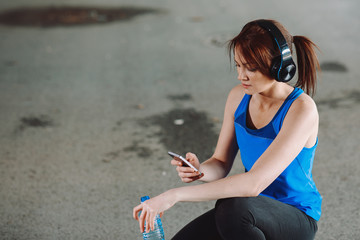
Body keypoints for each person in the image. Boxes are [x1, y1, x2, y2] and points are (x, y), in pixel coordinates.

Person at [133, 19, 322, 240]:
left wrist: (173, 195)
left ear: (280, 67)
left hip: (294, 217)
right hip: (250, 211)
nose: (241, 76)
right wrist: (200, 171)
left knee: (232, 208)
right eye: (238, 65)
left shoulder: (301, 109)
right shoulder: (238, 97)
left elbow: (253, 183)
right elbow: (221, 163)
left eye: (251, 68)